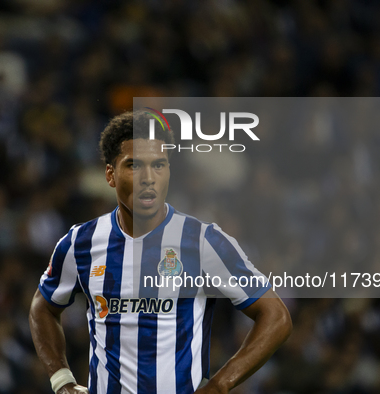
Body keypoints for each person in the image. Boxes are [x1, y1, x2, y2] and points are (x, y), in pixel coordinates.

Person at [29, 111, 292, 394]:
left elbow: (276, 316)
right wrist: (61, 380)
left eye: (159, 165)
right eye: (134, 165)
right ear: (110, 175)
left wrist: (219, 385)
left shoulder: (203, 241)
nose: (148, 178)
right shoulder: (81, 242)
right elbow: (42, 307)